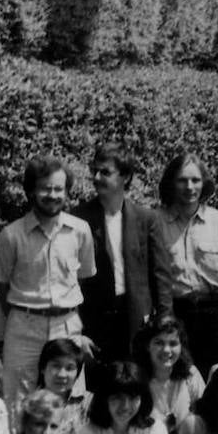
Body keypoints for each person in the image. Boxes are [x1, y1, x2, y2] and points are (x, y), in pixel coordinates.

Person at [0, 156, 96, 407]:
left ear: (67, 192)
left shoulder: (80, 231)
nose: (52, 195)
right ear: (31, 191)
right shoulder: (11, 235)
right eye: (45, 188)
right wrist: (25, 312)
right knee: (18, 400)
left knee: (68, 398)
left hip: (67, 326)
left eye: (58, 189)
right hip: (23, 329)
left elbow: (85, 278)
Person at [73, 141, 174, 366]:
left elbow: (161, 276)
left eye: (106, 172)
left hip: (135, 319)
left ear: (125, 177)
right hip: (95, 320)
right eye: (95, 171)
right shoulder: (79, 219)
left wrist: (165, 321)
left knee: (135, 383)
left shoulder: (147, 219)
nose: (97, 177)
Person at [154, 153, 218, 376]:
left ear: (204, 184)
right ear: (171, 183)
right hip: (174, 313)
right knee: (176, 379)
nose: (189, 187)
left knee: (213, 381)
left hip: (212, 315)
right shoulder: (155, 222)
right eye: (182, 180)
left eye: (195, 180)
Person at [133, 313, 205, 434]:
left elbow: (207, 417)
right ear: (148, 345)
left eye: (173, 343)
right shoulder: (137, 379)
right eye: (159, 343)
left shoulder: (191, 374)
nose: (166, 350)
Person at [33, 338, 91, 434]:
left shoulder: (89, 403)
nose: (62, 374)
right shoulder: (29, 405)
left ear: (77, 373)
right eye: (56, 366)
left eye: (70, 368)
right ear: (42, 368)